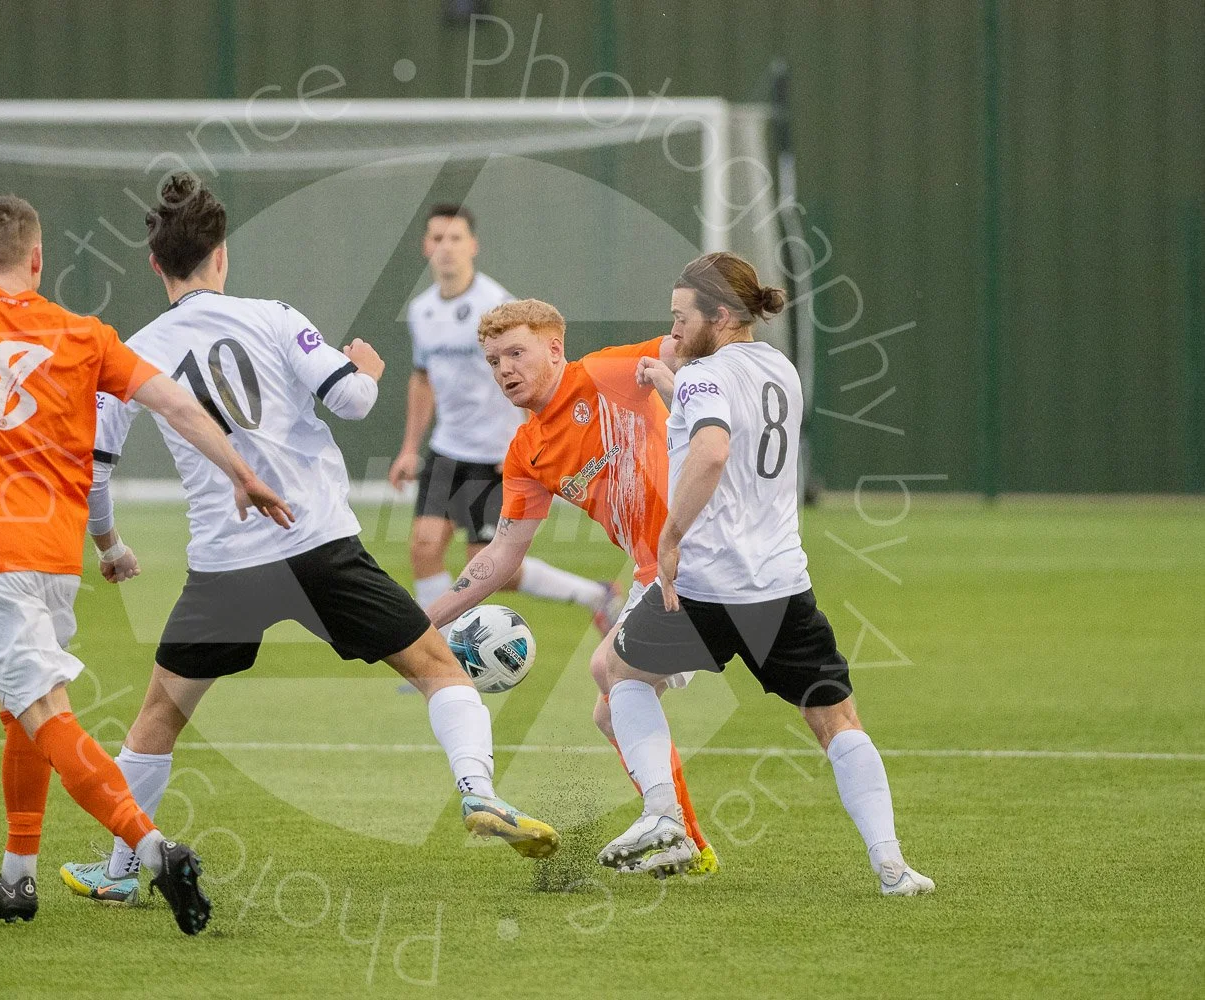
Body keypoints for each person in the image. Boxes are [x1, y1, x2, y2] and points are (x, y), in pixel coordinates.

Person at [57, 175, 559, 905]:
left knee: (160, 713)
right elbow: (351, 401)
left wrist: (109, 546)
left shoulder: (132, 351)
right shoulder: (273, 317)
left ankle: (120, 870)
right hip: (321, 545)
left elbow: (93, 470)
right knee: (437, 667)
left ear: (156, 265)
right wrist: (367, 369)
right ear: (221, 256)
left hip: (227, 565)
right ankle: (479, 791)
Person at [0, 195, 293, 933]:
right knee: (22, 710)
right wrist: (242, 472)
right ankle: (17, 877)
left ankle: (154, 852)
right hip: (55, 562)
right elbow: (176, 405)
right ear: (38, 260)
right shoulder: (86, 334)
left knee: (44, 711)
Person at [596, 252, 934, 895]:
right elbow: (730, 424)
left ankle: (663, 811)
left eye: (682, 317)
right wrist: (673, 385)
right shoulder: (780, 369)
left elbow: (712, 449)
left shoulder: (704, 377)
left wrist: (670, 537)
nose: (673, 329)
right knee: (838, 722)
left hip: (703, 586)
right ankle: (892, 867)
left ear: (721, 316)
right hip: (781, 588)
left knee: (621, 675)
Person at [424, 299, 717, 873]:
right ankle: (689, 843)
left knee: (611, 670)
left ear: (555, 348)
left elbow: (686, 351)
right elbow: (502, 555)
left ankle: (677, 832)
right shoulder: (526, 451)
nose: (505, 369)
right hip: (654, 573)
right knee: (611, 707)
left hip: (703, 555)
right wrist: (424, 620)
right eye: (493, 361)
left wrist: (703, 353)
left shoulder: (605, 374)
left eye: (516, 353)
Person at [389, 204, 613, 625]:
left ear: (472, 245)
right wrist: (408, 448)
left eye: (455, 238)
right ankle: (441, 652)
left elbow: (533, 376)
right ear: (425, 247)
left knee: (493, 566)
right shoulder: (421, 310)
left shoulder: (497, 306)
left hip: (495, 452)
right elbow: (422, 379)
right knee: (424, 548)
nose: (446, 248)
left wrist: (522, 442)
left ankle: (596, 595)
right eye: (437, 238)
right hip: (447, 447)